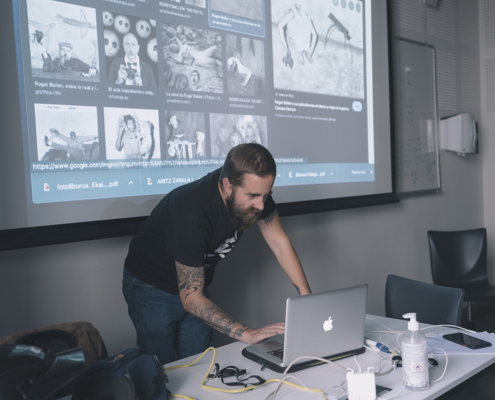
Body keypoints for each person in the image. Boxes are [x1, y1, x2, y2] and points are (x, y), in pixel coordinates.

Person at [122, 143, 311, 364]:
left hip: (195, 286)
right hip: (150, 286)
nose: (261, 206)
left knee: (200, 364)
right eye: (252, 196)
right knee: (158, 369)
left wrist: (307, 299)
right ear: (227, 185)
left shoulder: (258, 197)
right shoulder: (191, 214)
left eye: (266, 195)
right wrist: (247, 333)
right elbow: (191, 299)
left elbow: (279, 242)